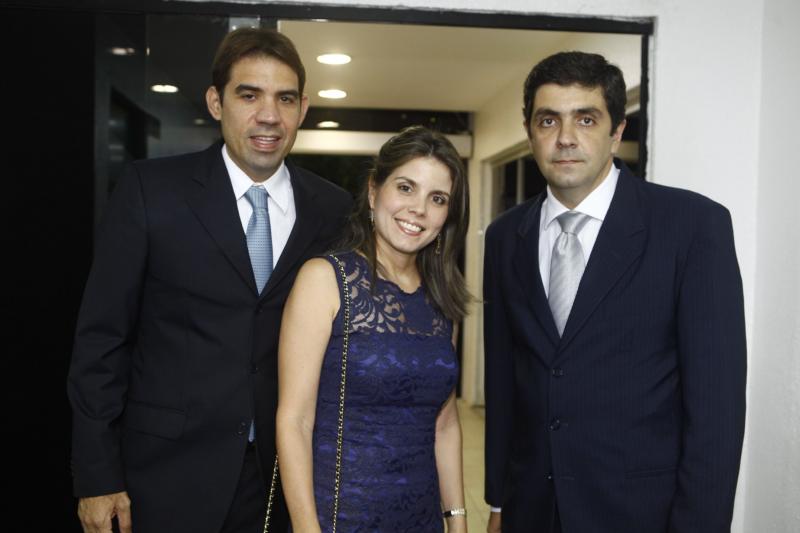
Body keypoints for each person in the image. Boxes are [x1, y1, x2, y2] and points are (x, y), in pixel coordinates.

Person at [67, 28, 352, 533]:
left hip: (280, 483)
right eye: (250, 95)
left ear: (303, 109)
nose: (269, 115)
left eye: (285, 98)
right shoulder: (150, 191)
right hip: (165, 477)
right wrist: (97, 475)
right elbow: (102, 342)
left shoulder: (332, 209)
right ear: (216, 102)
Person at [483, 51, 746, 533]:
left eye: (586, 119)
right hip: (532, 510)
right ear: (530, 132)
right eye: (548, 120)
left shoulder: (692, 226)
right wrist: (498, 502)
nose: (565, 137)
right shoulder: (504, 236)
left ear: (617, 131)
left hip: (641, 514)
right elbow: (503, 382)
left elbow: (717, 409)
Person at [276, 125, 471, 532]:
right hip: (340, 519)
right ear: (373, 191)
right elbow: (295, 420)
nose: (419, 209)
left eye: (437, 198)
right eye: (406, 187)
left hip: (421, 520)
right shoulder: (325, 279)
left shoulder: (441, 301)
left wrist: (457, 521)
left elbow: (445, 422)